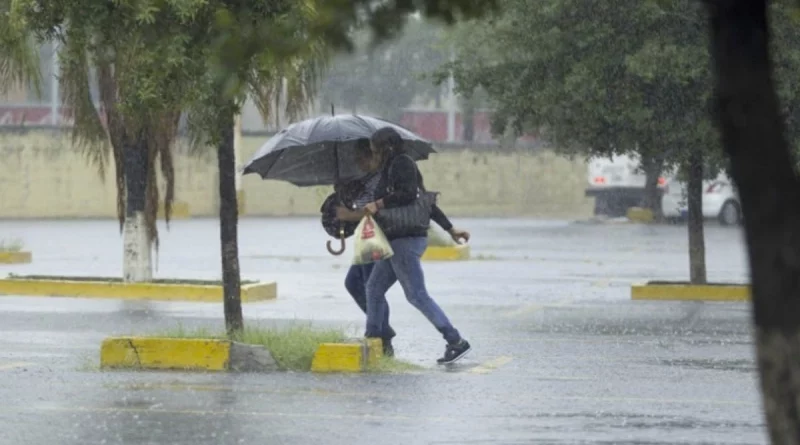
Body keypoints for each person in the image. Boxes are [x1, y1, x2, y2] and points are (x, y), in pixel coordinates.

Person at [331, 138, 469, 358]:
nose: (373, 155)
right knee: (374, 289)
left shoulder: (401, 165)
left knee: (416, 295)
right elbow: (426, 203)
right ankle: (375, 338)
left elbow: (409, 196)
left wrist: (377, 204)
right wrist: (451, 230)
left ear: (386, 149)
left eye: (375, 150)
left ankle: (455, 339)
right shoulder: (392, 172)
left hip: (405, 241)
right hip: (395, 241)